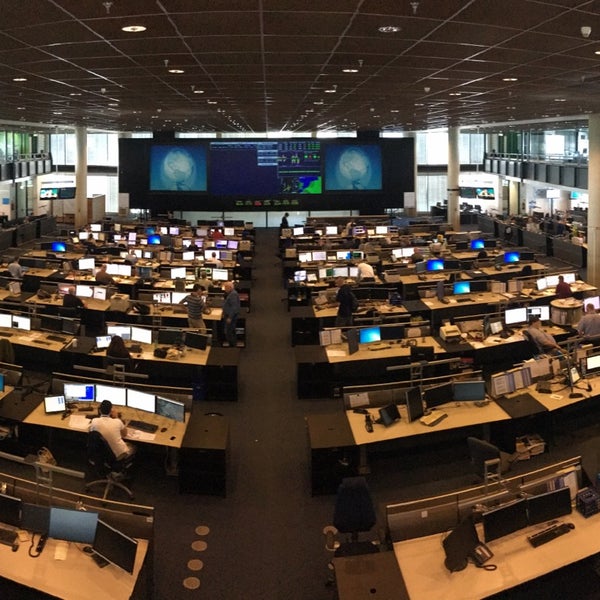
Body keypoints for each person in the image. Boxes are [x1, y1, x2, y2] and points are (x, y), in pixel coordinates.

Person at [222, 281, 240, 347]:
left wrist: (230, 317)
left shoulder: (233, 295)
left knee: (229, 332)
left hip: (231, 317)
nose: (225, 289)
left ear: (230, 287)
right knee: (230, 331)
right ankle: (232, 345)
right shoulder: (231, 293)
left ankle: (232, 346)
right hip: (229, 315)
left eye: (226, 287)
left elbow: (234, 307)